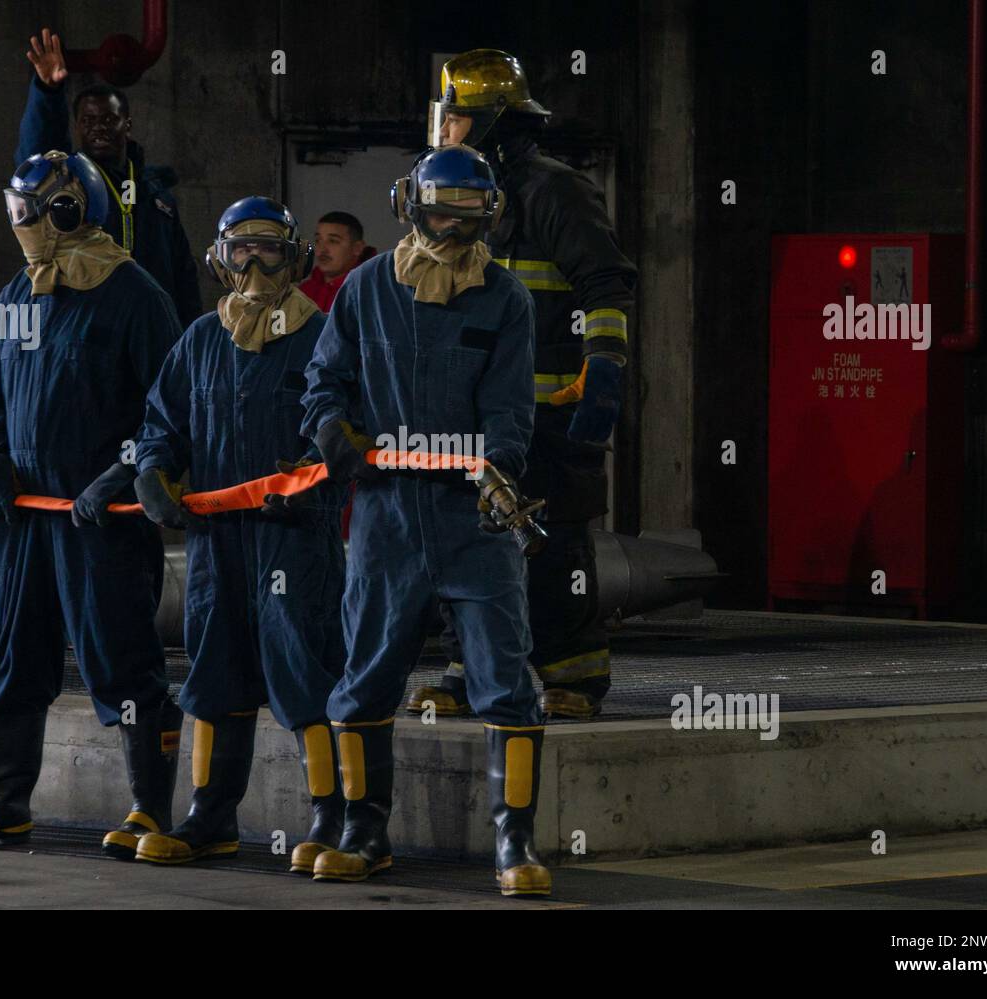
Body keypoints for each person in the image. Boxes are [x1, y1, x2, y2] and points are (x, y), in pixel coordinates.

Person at [301, 145, 550, 897]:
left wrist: (499, 467)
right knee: (367, 676)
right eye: (440, 211)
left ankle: (515, 844)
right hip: (385, 517)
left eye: (467, 217)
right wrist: (330, 430)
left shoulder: (505, 298)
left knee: (505, 681)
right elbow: (325, 379)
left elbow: (510, 407)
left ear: (488, 218)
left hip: (475, 517)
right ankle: (363, 833)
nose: (450, 229)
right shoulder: (366, 288)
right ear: (410, 203)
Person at [0, 151, 183, 860]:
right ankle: (2, 805)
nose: (28, 228)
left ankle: (150, 811)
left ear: (76, 209)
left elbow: (169, 407)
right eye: (20, 215)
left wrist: (123, 472)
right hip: (26, 516)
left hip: (100, 518)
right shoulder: (15, 297)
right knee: (15, 656)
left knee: (122, 657)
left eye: (39, 212)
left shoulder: (134, 296)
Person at [410, 48, 638, 720]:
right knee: (467, 537)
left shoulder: (552, 191)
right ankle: (467, 666)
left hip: (550, 406)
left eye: (453, 119)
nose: (443, 131)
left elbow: (606, 282)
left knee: (552, 540)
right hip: (473, 412)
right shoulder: (453, 196)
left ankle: (574, 672)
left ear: (483, 120)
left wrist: (603, 366)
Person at [124, 197, 347, 871]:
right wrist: (153, 473)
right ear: (221, 261)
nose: (254, 263)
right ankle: (209, 817)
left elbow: (344, 431)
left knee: (308, 679)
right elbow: (161, 425)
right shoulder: (199, 341)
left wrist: (309, 481)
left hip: (295, 544)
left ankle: (330, 820)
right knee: (215, 681)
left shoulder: (322, 338)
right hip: (218, 550)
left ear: (295, 258)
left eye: (268, 248)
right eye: (240, 249)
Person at [17, 28, 202, 327]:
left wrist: (189, 340)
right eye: (88, 121)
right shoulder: (68, 186)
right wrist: (48, 91)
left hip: (151, 327)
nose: (98, 128)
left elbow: (183, 276)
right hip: (90, 323)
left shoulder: (158, 197)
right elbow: (34, 156)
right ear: (77, 127)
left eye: (108, 119)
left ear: (126, 125)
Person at [298, 210, 371, 311]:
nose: (322, 249)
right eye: (318, 240)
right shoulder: (303, 293)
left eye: (333, 241)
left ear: (357, 248)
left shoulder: (368, 293)